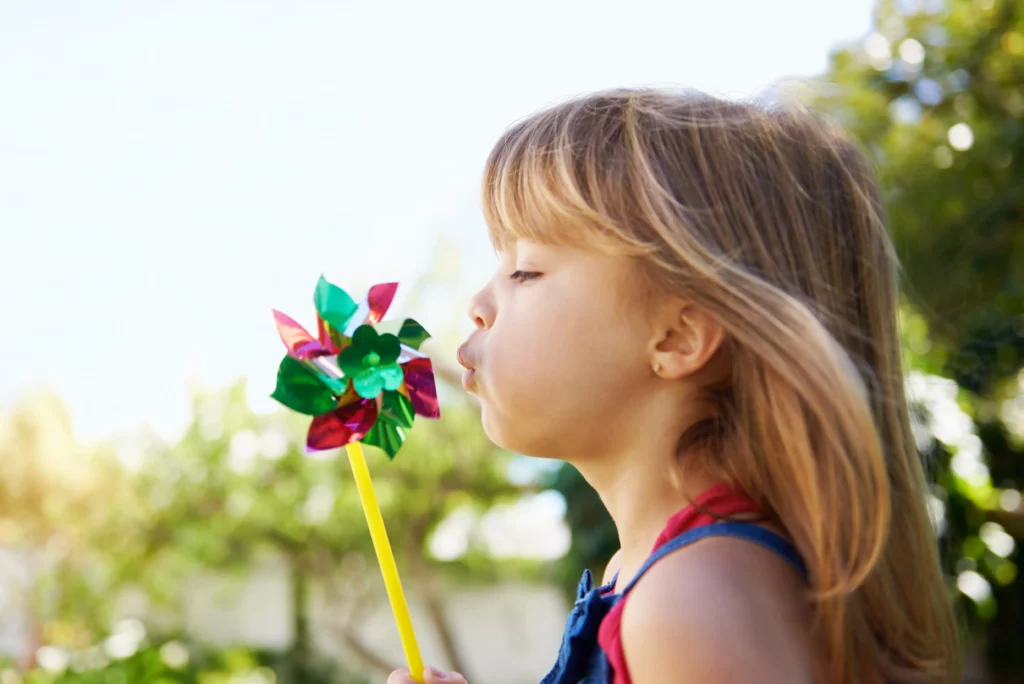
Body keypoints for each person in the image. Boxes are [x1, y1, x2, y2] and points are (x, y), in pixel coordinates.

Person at [388, 88, 960, 684]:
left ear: (679, 337)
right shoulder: (642, 576)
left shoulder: (692, 599)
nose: (479, 305)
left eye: (526, 270)